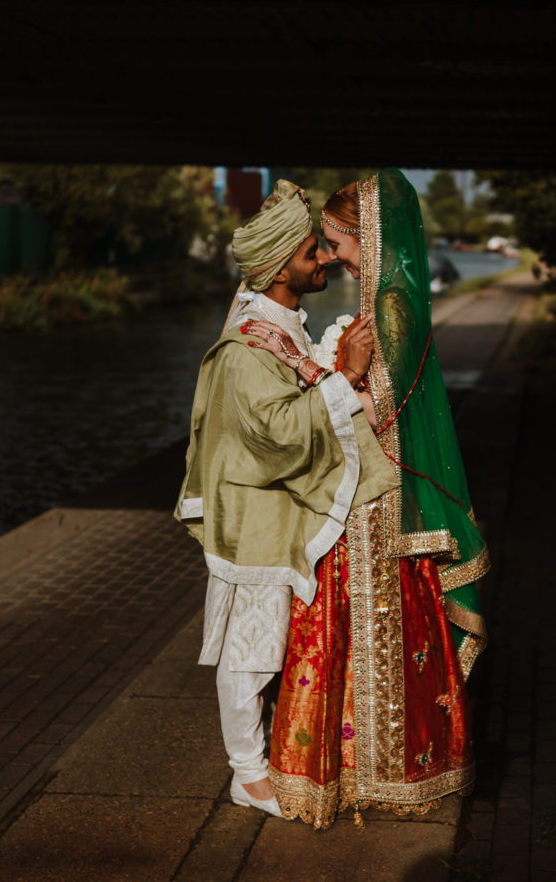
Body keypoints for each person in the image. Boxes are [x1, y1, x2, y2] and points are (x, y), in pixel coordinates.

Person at [242, 169, 490, 828]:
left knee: (367, 624)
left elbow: (381, 409)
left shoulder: (394, 306)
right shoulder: (384, 298)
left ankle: (382, 768)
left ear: (366, 234)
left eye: (334, 241)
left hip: (375, 498)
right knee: (357, 625)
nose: (330, 254)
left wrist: (319, 376)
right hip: (360, 488)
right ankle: (366, 767)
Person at [175, 179, 400, 817]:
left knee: (266, 645)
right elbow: (276, 432)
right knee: (251, 648)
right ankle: (246, 776)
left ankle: (261, 761)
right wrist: (350, 376)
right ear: (279, 269)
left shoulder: (279, 326)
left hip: (273, 510)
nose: (324, 258)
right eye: (311, 252)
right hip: (254, 517)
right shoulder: (249, 345)